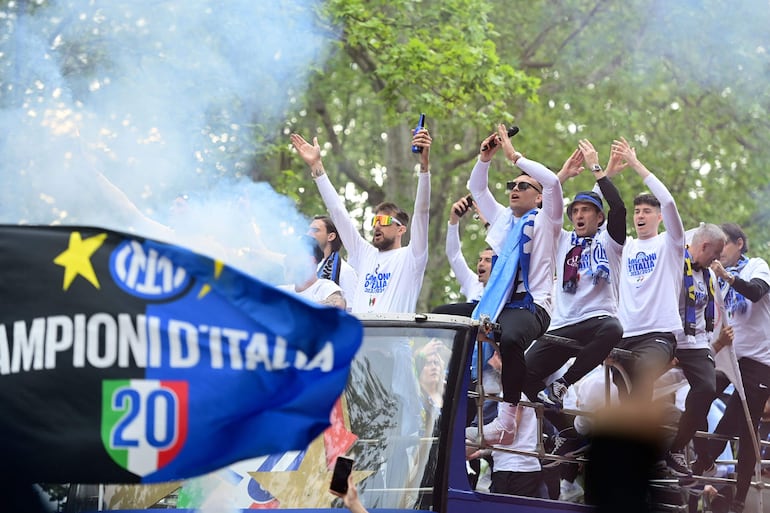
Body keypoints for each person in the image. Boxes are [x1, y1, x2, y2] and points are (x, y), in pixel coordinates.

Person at [466, 124, 563, 444]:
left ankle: (506, 421)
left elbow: (551, 181)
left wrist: (513, 155)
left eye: (524, 185)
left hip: (532, 305)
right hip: (500, 304)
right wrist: (485, 158)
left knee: (509, 340)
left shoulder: (547, 221)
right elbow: (477, 189)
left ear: (538, 199)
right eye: (513, 185)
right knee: (447, 318)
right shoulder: (506, 220)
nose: (515, 188)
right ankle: (456, 410)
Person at [522, 138, 626, 408]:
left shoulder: (610, 243)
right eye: (575, 211)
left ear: (599, 218)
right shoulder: (563, 240)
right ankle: (565, 432)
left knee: (614, 327)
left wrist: (598, 168)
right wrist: (561, 177)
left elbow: (619, 208)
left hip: (595, 321)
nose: (579, 215)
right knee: (521, 376)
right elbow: (544, 211)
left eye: (586, 211)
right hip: (562, 326)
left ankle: (563, 383)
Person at [290, 127, 431, 313]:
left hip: (394, 340)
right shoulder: (365, 254)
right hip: (362, 340)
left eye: (385, 221)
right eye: (375, 221)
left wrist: (424, 165)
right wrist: (317, 167)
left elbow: (421, 212)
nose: (378, 225)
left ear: (401, 230)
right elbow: (338, 213)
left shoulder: (412, 257)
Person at [692, 222, 770, 513]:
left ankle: (737, 500)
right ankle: (704, 459)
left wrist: (727, 276)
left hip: (758, 361)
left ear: (738, 244)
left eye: (723, 244)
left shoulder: (756, 266)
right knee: (700, 392)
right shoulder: (715, 278)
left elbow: (756, 292)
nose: (718, 251)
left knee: (743, 428)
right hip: (728, 356)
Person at [612, 137, 686, 401]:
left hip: (658, 334)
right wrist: (605, 174)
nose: (640, 216)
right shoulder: (627, 246)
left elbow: (669, 202)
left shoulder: (671, 243)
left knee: (643, 377)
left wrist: (636, 164)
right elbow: (604, 216)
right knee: (623, 394)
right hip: (625, 333)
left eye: (646, 211)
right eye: (637, 212)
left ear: (659, 217)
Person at [664, 223, 732, 477]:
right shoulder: (673, 263)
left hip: (696, 342)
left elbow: (708, 313)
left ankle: (676, 449)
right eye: (714, 255)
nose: (716, 261)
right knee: (637, 379)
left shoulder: (710, 275)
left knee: (706, 388)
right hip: (668, 335)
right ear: (703, 246)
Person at [278, 235, 347, 309]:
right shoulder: (281, 291)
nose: (286, 260)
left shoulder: (325, 288)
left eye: (293, 255)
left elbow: (338, 304)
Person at [307, 215, 358, 307]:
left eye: (315, 230)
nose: (308, 234)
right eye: (309, 230)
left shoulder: (345, 271)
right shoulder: (309, 266)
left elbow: (351, 309)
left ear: (331, 236)